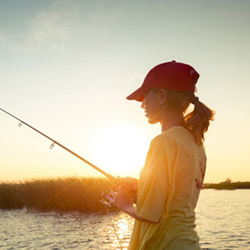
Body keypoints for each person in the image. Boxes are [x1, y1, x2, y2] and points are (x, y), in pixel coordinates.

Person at [112, 60, 214, 250]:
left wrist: (124, 204)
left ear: (161, 96)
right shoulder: (196, 143)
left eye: (144, 96)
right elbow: (175, 198)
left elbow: (150, 213)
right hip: (188, 243)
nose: (142, 104)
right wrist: (142, 186)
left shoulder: (163, 142)